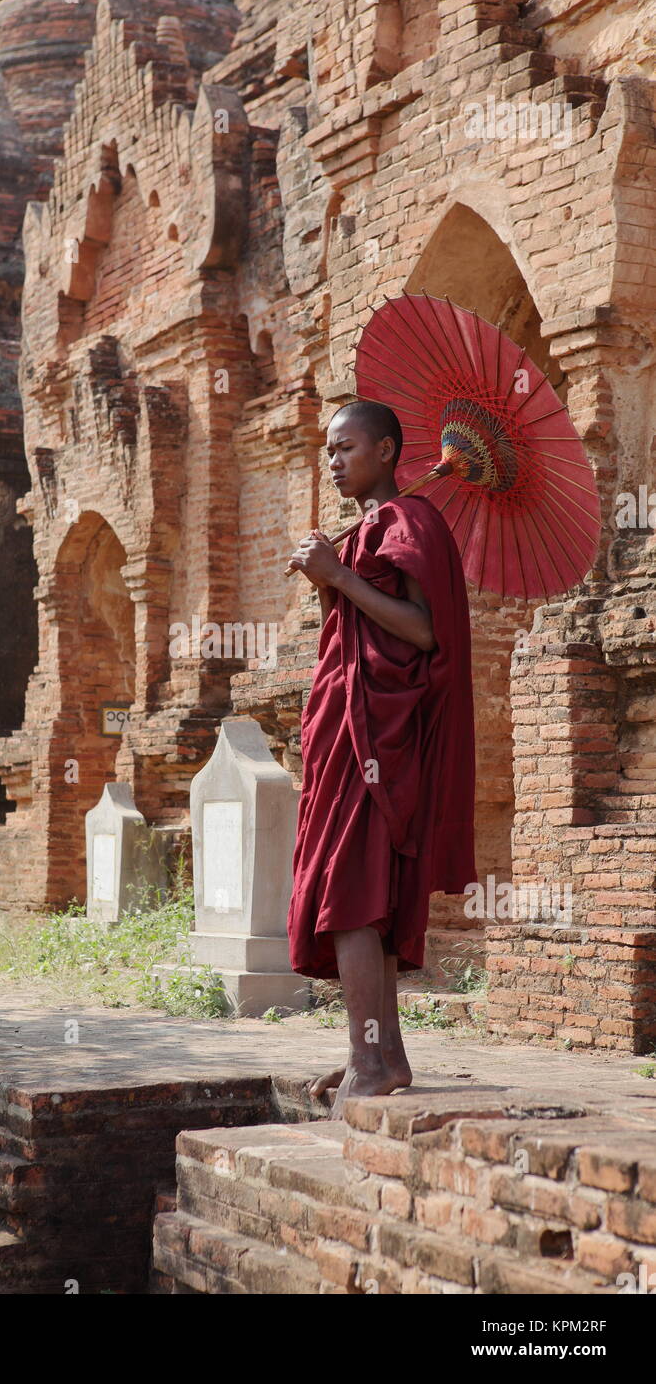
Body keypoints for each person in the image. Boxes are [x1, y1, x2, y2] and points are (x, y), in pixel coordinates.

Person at [286, 400, 476, 1117]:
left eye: (346, 447)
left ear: (389, 450)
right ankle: (378, 1054)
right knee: (350, 888)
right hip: (347, 729)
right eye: (328, 450)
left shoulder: (411, 522)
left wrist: (339, 577)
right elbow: (363, 629)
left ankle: (373, 1060)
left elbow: (425, 634)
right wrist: (332, 578)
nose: (334, 461)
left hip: (381, 743)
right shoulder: (367, 529)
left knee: (354, 893)